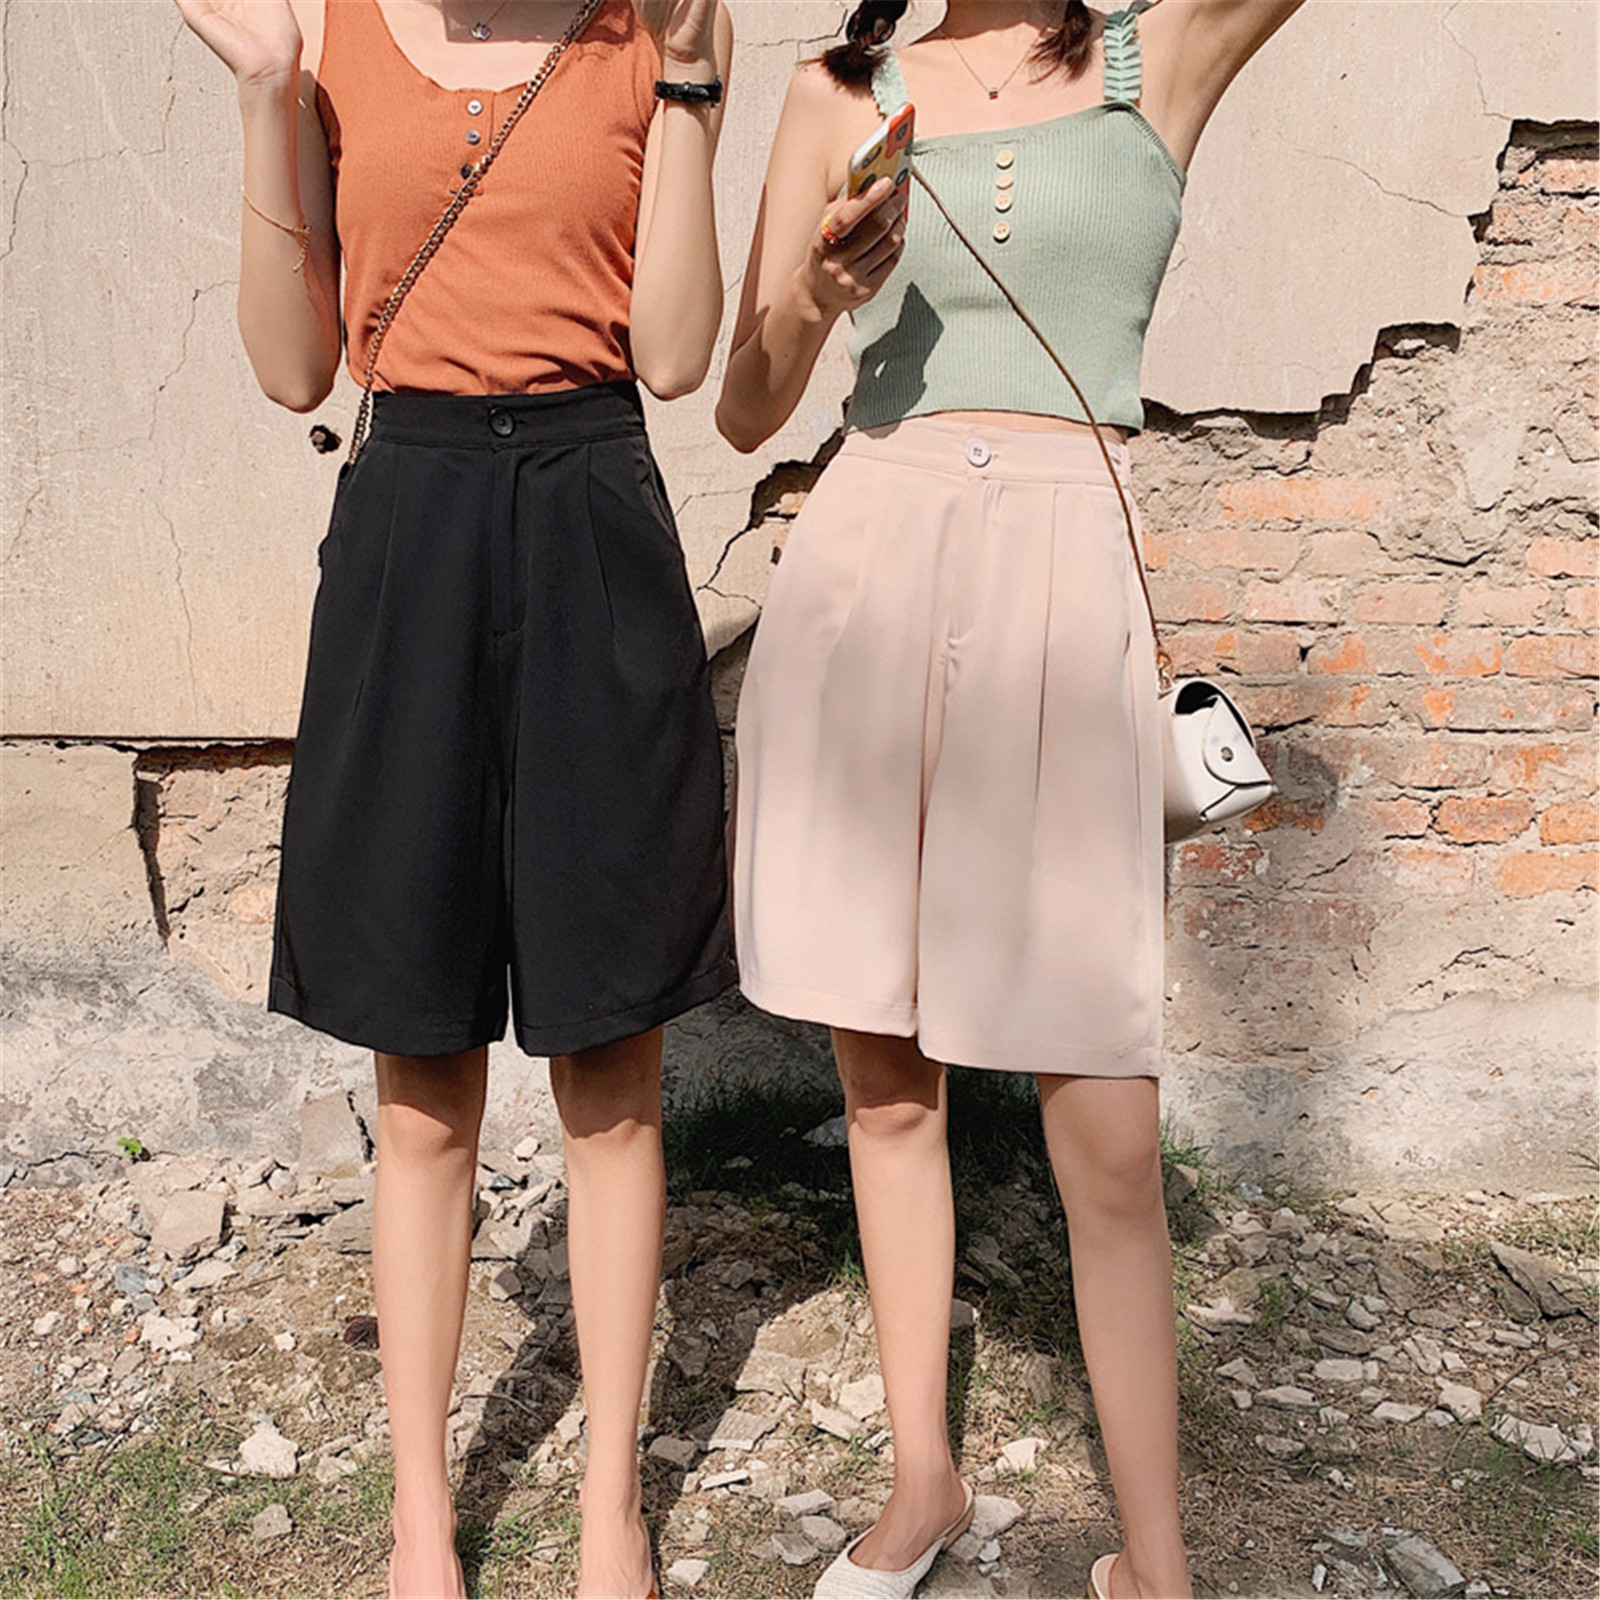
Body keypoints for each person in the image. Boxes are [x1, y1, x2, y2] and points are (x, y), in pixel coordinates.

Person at [717, 2, 1302, 1595]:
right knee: (885, 1074)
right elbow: (746, 405)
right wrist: (814, 291)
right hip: (872, 554)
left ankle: (1156, 1564)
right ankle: (925, 1478)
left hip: (1061, 568)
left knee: (1106, 1124)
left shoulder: (1158, 55)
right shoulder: (837, 90)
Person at [172, 1, 735, 1594]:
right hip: (409, 520)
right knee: (421, 1074)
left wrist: (696, 92)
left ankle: (610, 1507)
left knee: (612, 1062)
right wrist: (267, 98)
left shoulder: (648, 36)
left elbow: (674, 355)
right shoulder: (336, 35)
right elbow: (293, 367)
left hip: (592, 513)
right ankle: (423, 1514)